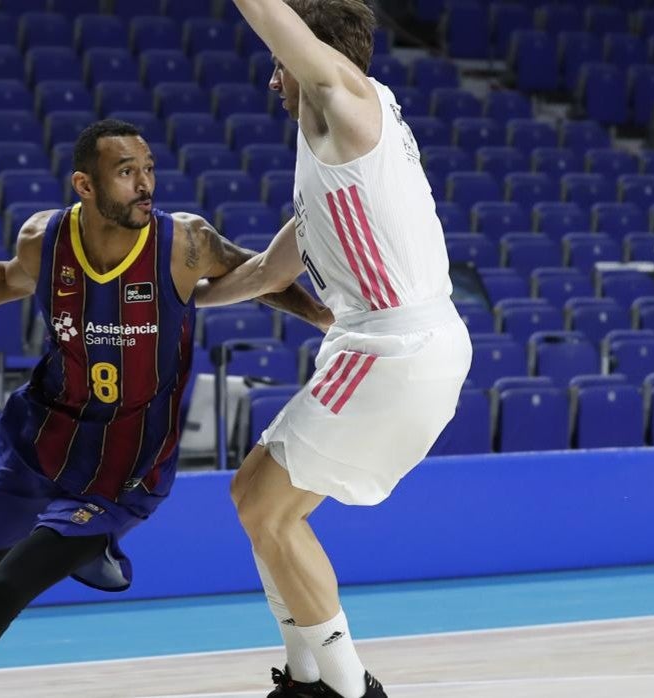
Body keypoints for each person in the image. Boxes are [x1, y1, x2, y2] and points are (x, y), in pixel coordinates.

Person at [0, 119, 332, 697]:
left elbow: (258, 273)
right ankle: (66, 541)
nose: (144, 185)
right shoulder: (45, 239)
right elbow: (9, 279)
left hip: (122, 474)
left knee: (2, 592)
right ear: (85, 186)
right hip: (40, 445)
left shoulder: (185, 242)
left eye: (147, 170)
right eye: (125, 173)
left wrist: (320, 317)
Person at [194, 2, 475, 697]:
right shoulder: (336, 160)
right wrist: (186, 300)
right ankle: (305, 675)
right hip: (397, 344)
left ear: (311, 59)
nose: (272, 83)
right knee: (255, 497)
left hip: (394, 345)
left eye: (279, 66)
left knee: (265, 507)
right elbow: (265, 273)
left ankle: (348, 690)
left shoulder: (344, 99)